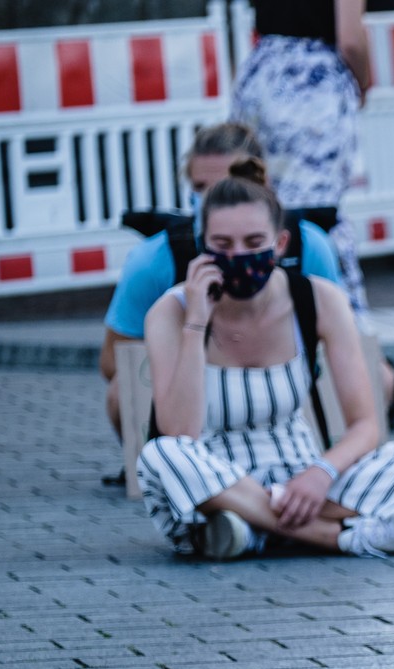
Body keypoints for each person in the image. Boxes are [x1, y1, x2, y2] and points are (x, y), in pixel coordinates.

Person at [136, 159, 394, 560]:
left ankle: (252, 528)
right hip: (215, 477)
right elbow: (181, 432)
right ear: (202, 245)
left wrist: (322, 473)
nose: (239, 256)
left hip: (302, 476)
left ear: (279, 244)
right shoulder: (172, 312)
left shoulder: (316, 299)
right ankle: (340, 537)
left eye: (253, 244)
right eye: (222, 246)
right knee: (162, 455)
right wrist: (197, 322)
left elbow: (366, 425)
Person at [230, 1, 394, 429]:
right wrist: (362, 83)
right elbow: (351, 38)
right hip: (313, 82)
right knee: (317, 223)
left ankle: (281, 358)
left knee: (264, 216)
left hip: (262, 71)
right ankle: (369, 374)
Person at [102, 123, 345, 448]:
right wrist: (185, 343)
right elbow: (113, 360)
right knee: (121, 391)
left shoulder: (309, 246)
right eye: (201, 186)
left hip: (291, 391)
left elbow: (343, 344)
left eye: (227, 184)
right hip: (196, 395)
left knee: (379, 379)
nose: (213, 198)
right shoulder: (154, 259)